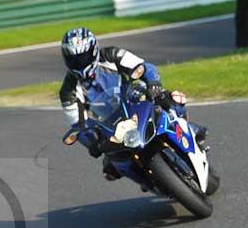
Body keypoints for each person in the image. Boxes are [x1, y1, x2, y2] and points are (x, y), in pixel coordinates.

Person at [59, 27, 208, 180]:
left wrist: (153, 82)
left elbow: (143, 67)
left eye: (83, 57)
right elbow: (78, 124)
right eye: (74, 60)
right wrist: (91, 142)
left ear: (94, 50)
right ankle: (148, 181)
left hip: (134, 100)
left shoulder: (112, 55)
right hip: (108, 125)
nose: (79, 63)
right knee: (110, 170)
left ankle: (190, 130)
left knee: (172, 99)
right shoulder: (68, 91)